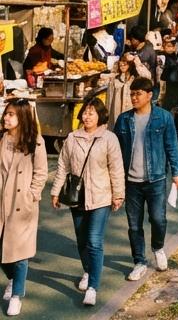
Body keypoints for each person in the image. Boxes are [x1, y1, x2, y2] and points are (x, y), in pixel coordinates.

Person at [50, 97, 124, 306]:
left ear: (100, 116)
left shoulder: (109, 138)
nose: (87, 116)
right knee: (82, 239)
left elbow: (116, 168)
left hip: (101, 196)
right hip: (78, 197)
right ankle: (88, 270)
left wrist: (118, 194)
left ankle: (93, 287)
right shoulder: (72, 138)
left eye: (92, 113)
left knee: (94, 240)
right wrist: (55, 191)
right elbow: (63, 166)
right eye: (85, 112)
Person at [112, 77, 178, 281]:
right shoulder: (124, 119)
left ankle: (158, 248)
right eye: (132, 94)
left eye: (138, 94)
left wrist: (177, 171)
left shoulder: (163, 117)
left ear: (149, 95)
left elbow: (172, 146)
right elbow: (115, 151)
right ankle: (139, 261)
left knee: (158, 219)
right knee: (134, 225)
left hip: (156, 178)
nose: (134, 98)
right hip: (131, 182)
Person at [0, 100, 47, 315]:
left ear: (22, 116)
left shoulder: (34, 141)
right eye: (6, 113)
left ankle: (17, 295)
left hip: (21, 204)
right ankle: (12, 279)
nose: (6, 117)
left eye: (11, 114)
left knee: (20, 252)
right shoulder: (2, 138)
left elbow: (41, 172)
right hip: (2, 201)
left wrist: (32, 195)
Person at [106, 54, 153, 126]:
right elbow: (109, 99)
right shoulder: (116, 79)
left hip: (133, 112)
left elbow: (147, 76)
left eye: (125, 64)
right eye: (120, 64)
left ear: (130, 64)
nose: (122, 66)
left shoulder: (135, 79)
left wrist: (135, 60)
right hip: (117, 114)